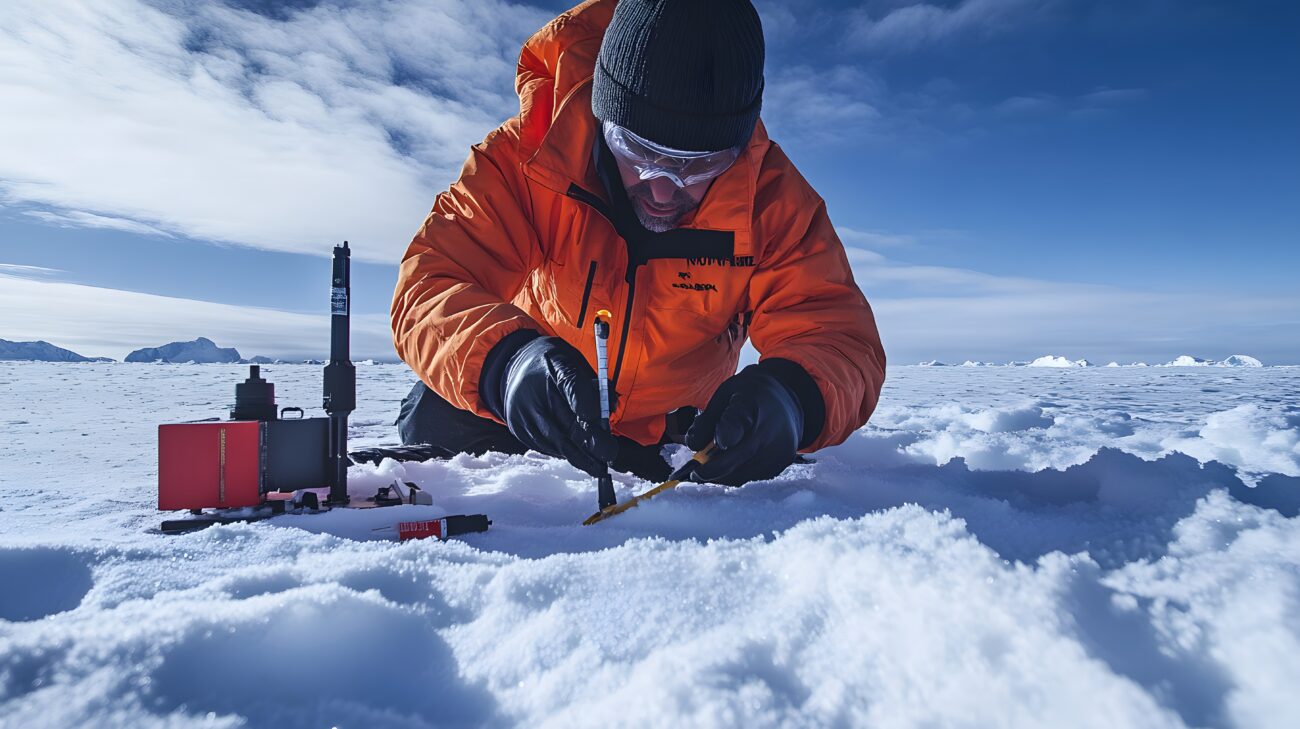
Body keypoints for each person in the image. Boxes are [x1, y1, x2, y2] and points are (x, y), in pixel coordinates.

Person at [391, 0, 885, 486]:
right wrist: (507, 364)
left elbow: (836, 334)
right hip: (540, 401)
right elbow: (430, 285)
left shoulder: (773, 200)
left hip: (678, 429)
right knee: (430, 416)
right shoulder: (525, 158)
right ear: (603, 116)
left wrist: (793, 397)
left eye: (699, 164)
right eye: (640, 151)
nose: (664, 188)